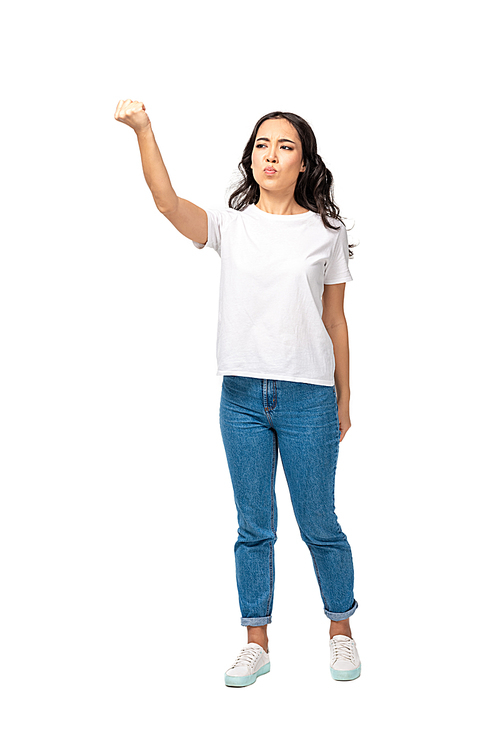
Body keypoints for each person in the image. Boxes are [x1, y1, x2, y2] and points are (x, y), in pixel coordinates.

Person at [114, 100, 361, 686]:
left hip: (308, 398)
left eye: (284, 147)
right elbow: (167, 203)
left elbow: (337, 322)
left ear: (304, 163)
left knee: (319, 521)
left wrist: (344, 400)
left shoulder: (326, 229)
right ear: (251, 157)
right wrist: (145, 131)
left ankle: (341, 630)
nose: (270, 156)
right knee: (254, 525)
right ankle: (257, 641)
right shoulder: (232, 221)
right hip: (242, 397)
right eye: (261, 145)